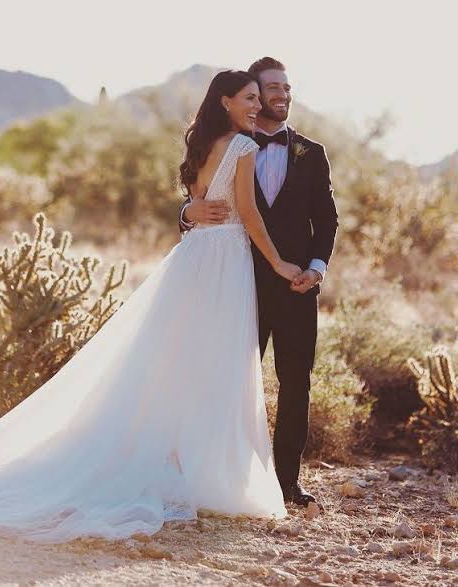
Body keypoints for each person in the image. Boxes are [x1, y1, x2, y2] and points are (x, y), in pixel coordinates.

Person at [0, 70, 301, 543]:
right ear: (227, 101)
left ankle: (180, 459)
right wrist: (279, 264)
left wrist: (192, 213)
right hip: (224, 261)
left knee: (178, 360)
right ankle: (204, 471)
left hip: (194, 259)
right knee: (218, 361)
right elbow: (247, 215)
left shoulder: (203, 143)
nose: (256, 106)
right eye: (249, 98)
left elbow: (199, 203)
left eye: (259, 98)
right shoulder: (244, 147)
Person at [179, 57, 339, 506]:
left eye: (287, 88)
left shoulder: (312, 152)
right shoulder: (227, 143)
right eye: (271, 88)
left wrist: (316, 267)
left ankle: (287, 482)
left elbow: (327, 220)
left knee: (296, 384)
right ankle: (222, 476)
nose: (281, 95)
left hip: (295, 287)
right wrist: (186, 213)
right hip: (236, 283)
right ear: (251, 93)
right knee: (226, 379)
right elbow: (199, 202)